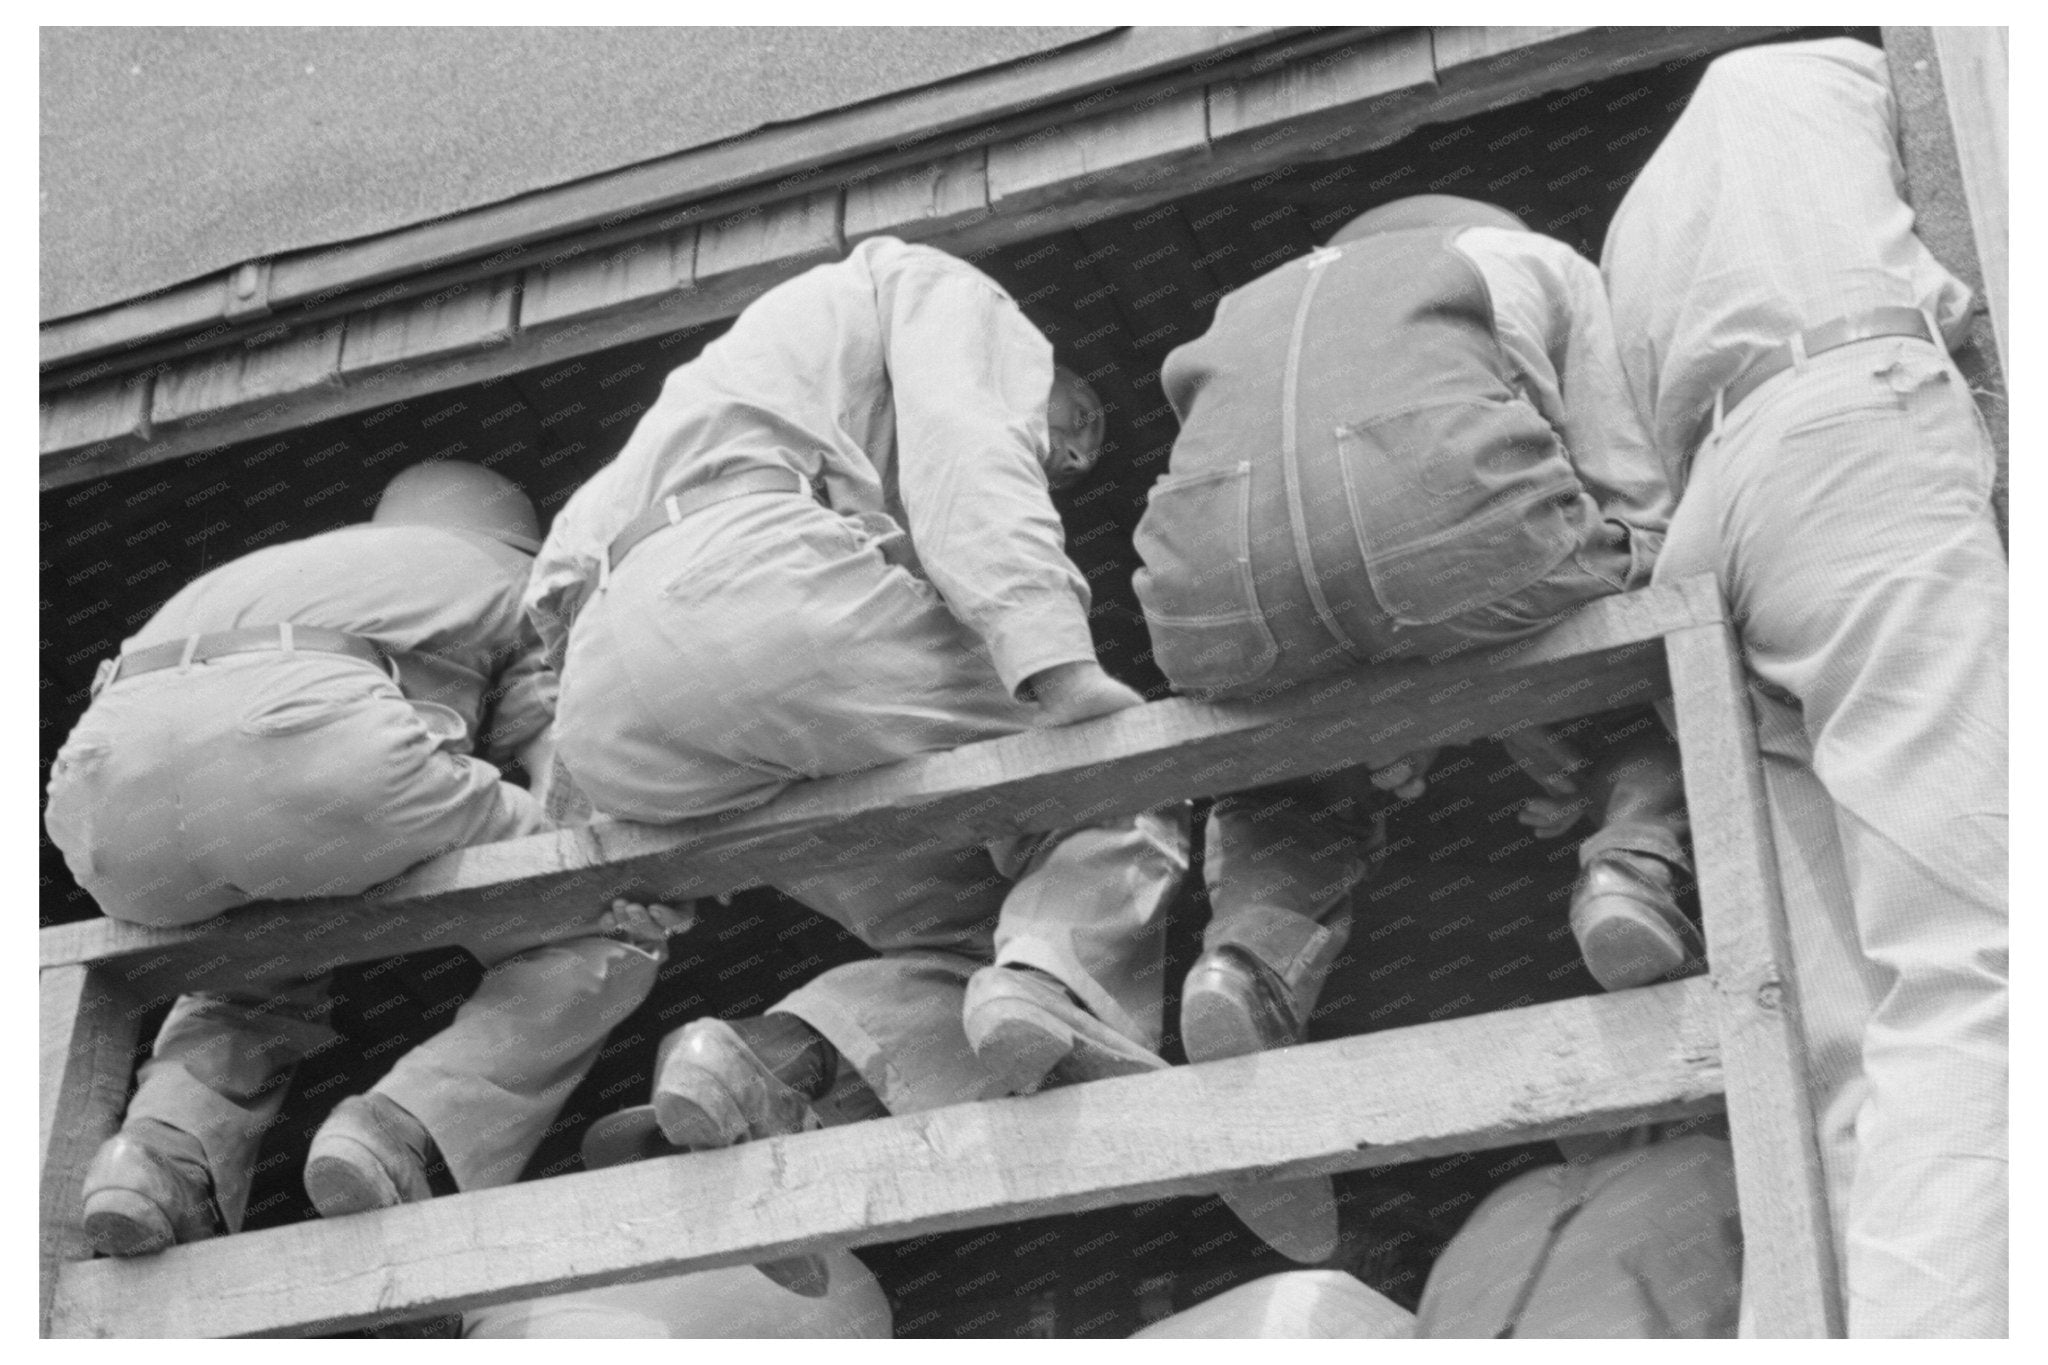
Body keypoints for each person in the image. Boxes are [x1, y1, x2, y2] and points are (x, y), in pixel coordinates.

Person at [524, 235, 1189, 1135]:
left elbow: (557, 606)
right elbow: (967, 444)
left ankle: (766, 1068)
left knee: (983, 928)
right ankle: (1060, 1000)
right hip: (764, 603)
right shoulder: (942, 288)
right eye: (1080, 418)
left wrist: (612, 844)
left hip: (618, 704)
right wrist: (1059, 667)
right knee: (1124, 775)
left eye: (1081, 461)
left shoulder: (716, 399)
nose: (1071, 455)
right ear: (1045, 354)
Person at [1600, 37, 2008, 1336]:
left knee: (1842, 1029)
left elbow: (1626, 482)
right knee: (1976, 954)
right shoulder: (1866, 60)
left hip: (1713, 521)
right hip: (1850, 412)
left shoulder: (1633, 212)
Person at [44, 461, 684, 1255]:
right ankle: (405, 1133)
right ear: (516, 535)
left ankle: (157, 1157)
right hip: (317, 752)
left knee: (254, 956)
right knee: (601, 916)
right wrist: (624, 877)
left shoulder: (284, 566)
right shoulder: (514, 573)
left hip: (102, 812)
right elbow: (567, 768)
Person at [1133, 195, 1690, 1072]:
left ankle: (1246, 956)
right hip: (1454, 536)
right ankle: (1636, 863)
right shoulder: (1534, 258)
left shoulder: (1241, 311)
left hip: (1218, 606)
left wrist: (1411, 710)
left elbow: (1299, 539)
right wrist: (1562, 701)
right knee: (1642, 629)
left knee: (1279, 769)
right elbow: (1631, 491)